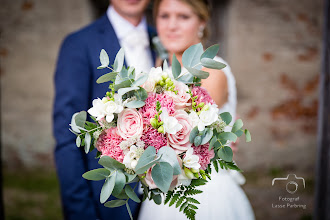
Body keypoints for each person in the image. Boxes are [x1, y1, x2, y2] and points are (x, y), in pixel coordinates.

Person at [138, 0, 255, 219]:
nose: (172, 25)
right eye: (164, 16)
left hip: (203, 193)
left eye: (183, 17)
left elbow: (179, 139)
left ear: (202, 22)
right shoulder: (157, 68)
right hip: (162, 193)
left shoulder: (211, 71)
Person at [53, 0, 155, 219]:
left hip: (163, 202)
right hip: (106, 203)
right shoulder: (79, 44)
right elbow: (68, 137)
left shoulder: (163, 40)